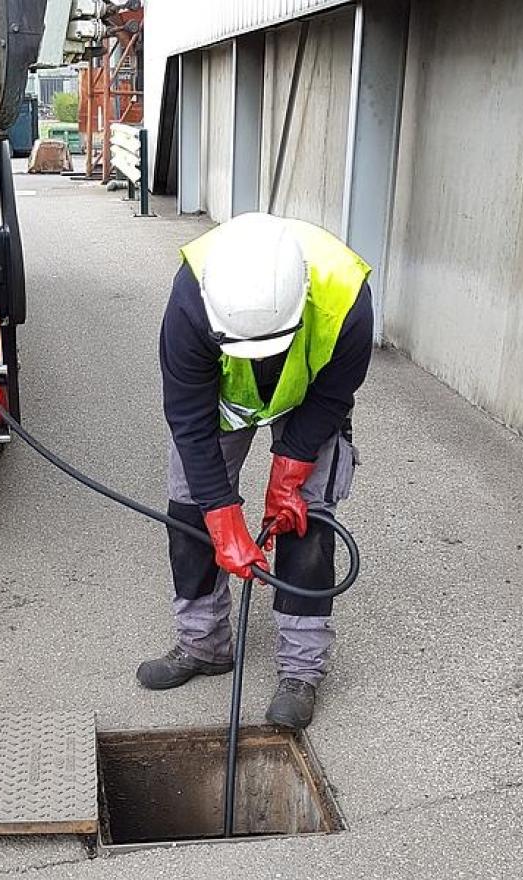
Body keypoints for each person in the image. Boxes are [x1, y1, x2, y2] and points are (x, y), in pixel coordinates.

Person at [136, 212, 374, 730]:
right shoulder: (190, 301)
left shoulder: (344, 295)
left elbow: (335, 391)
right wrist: (224, 521)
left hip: (309, 399)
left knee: (308, 520)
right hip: (222, 405)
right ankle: (204, 643)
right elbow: (188, 420)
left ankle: (301, 670)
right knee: (190, 511)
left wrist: (289, 473)